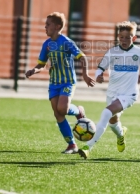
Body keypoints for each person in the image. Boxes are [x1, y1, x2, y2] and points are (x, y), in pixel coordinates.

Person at [78, 21, 140, 159]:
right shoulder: (112, 52)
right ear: (118, 37)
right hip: (112, 93)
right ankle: (121, 134)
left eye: (128, 37)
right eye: (121, 37)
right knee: (113, 122)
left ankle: (88, 146)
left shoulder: (139, 51)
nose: (124, 40)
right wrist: (98, 75)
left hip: (129, 94)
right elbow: (101, 67)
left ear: (134, 38)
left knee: (106, 113)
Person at [25, 12, 95, 154]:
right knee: (58, 114)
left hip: (67, 82)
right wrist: (33, 70)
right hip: (54, 84)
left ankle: (78, 111)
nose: (45, 27)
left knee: (62, 109)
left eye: (48, 24)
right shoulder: (47, 44)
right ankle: (72, 145)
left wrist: (85, 74)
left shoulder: (66, 42)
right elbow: (42, 64)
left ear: (57, 26)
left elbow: (82, 57)